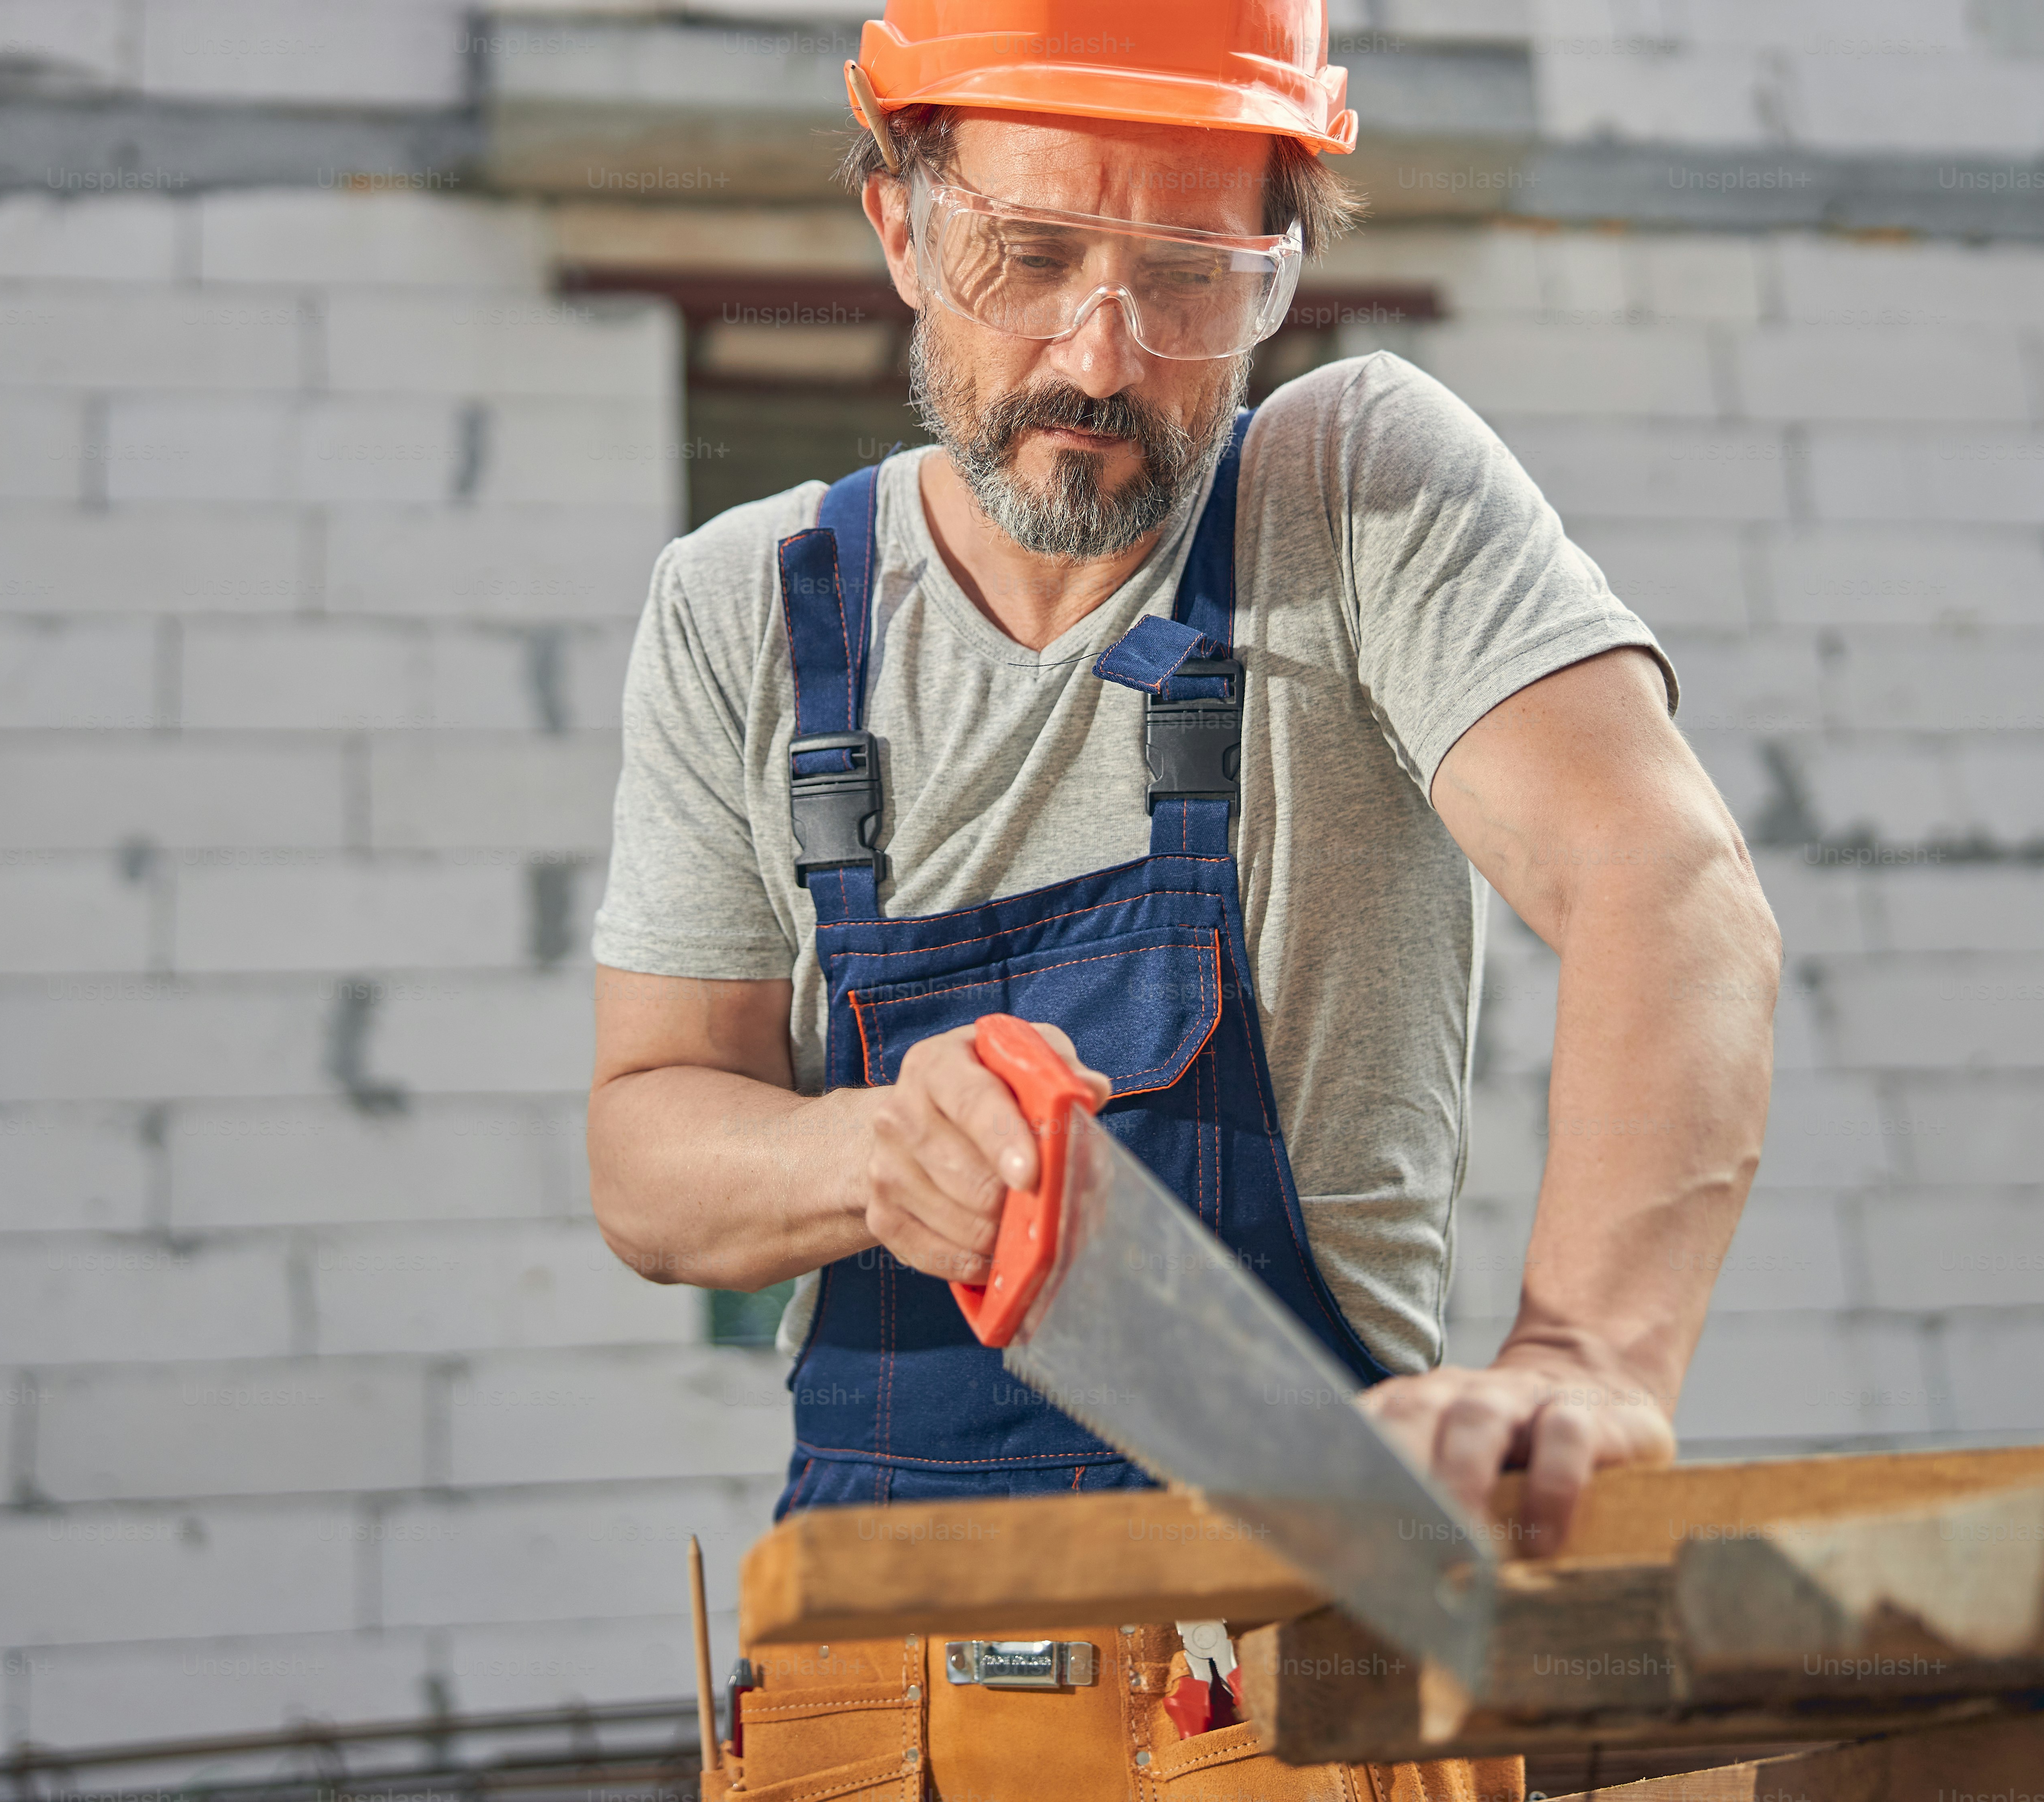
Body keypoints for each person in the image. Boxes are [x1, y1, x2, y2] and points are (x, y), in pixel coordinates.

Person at [586, 2, 1782, 1793]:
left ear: (1282, 271)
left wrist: (1586, 1360)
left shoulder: (1356, 490)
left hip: (1292, 1687)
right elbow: (645, 1144)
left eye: (1190, 275)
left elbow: (1665, 883)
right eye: (1033, 252)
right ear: (901, 225)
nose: (1105, 350)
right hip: (885, 1696)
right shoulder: (742, 604)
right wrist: (864, 1159)